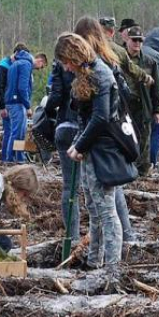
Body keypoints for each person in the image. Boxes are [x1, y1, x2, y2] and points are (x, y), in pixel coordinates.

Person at [55, 32, 123, 277]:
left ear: (74, 56)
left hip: (103, 152)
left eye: (65, 61)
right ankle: (95, 260)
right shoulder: (86, 74)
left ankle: (113, 269)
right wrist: (79, 143)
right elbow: (85, 117)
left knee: (106, 210)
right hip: (91, 151)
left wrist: (79, 145)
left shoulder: (101, 75)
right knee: (93, 207)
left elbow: (101, 117)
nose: (65, 67)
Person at [75, 16, 137, 242]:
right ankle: (123, 239)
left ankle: (115, 252)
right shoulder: (111, 57)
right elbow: (126, 93)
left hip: (101, 134)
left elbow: (101, 112)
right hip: (112, 131)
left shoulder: (97, 65)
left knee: (104, 200)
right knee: (110, 191)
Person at [45, 58, 81, 241]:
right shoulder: (94, 61)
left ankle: (73, 237)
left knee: (70, 186)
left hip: (65, 126)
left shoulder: (60, 63)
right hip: (85, 128)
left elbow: (56, 96)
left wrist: (48, 109)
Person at [123, 26, 159, 176]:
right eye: (134, 40)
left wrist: (158, 110)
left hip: (143, 106)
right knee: (125, 139)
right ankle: (126, 171)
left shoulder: (149, 62)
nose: (137, 44)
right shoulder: (120, 59)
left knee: (144, 140)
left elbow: (156, 88)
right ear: (127, 40)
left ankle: (142, 173)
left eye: (140, 41)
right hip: (124, 106)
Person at [4, 48, 47, 162]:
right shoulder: (26, 65)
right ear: (40, 60)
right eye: (41, 67)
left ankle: (20, 159)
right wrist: (28, 106)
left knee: (20, 133)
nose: (39, 69)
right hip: (17, 102)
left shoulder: (17, 63)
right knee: (17, 132)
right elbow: (22, 88)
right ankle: (9, 160)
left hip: (12, 101)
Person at [0, 43, 29, 162]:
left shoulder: (15, 66)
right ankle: (6, 159)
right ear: (16, 54)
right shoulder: (3, 66)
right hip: (8, 105)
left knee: (18, 132)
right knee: (10, 132)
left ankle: (18, 157)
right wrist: (2, 106)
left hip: (13, 103)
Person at [142, 27, 159, 167]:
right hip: (154, 101)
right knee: (156, 133)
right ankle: (151, 162)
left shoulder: (136, 51)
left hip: (138, 102)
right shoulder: (155, 55)